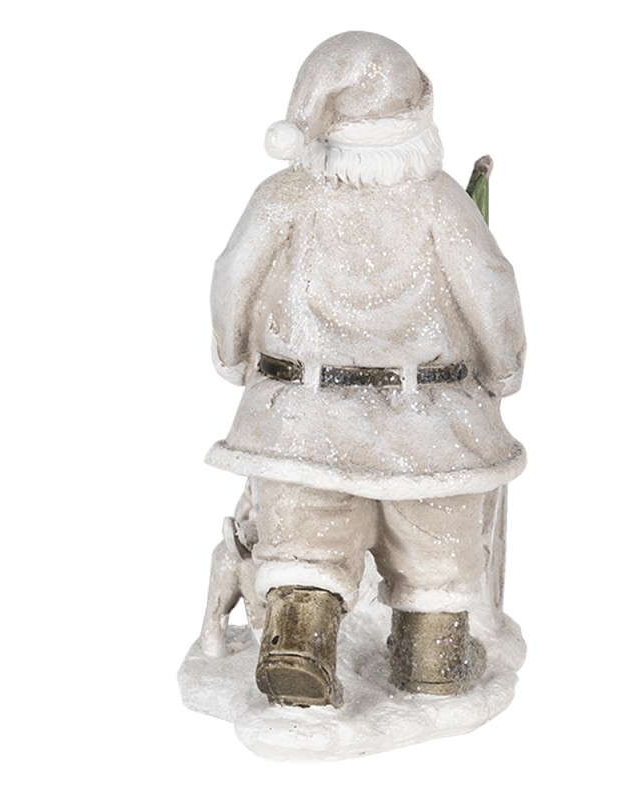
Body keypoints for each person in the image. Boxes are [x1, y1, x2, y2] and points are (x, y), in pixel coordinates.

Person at [206, 31, 526, 707]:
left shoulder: (284, 195)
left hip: (300, 417)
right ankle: (432, 656)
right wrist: (503, 370)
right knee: (435, 553)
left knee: (305, 548)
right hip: (432, 422)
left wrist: (232, 356)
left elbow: (233, 275)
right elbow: (491, 288)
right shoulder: (441, 200)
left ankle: (299, 639)